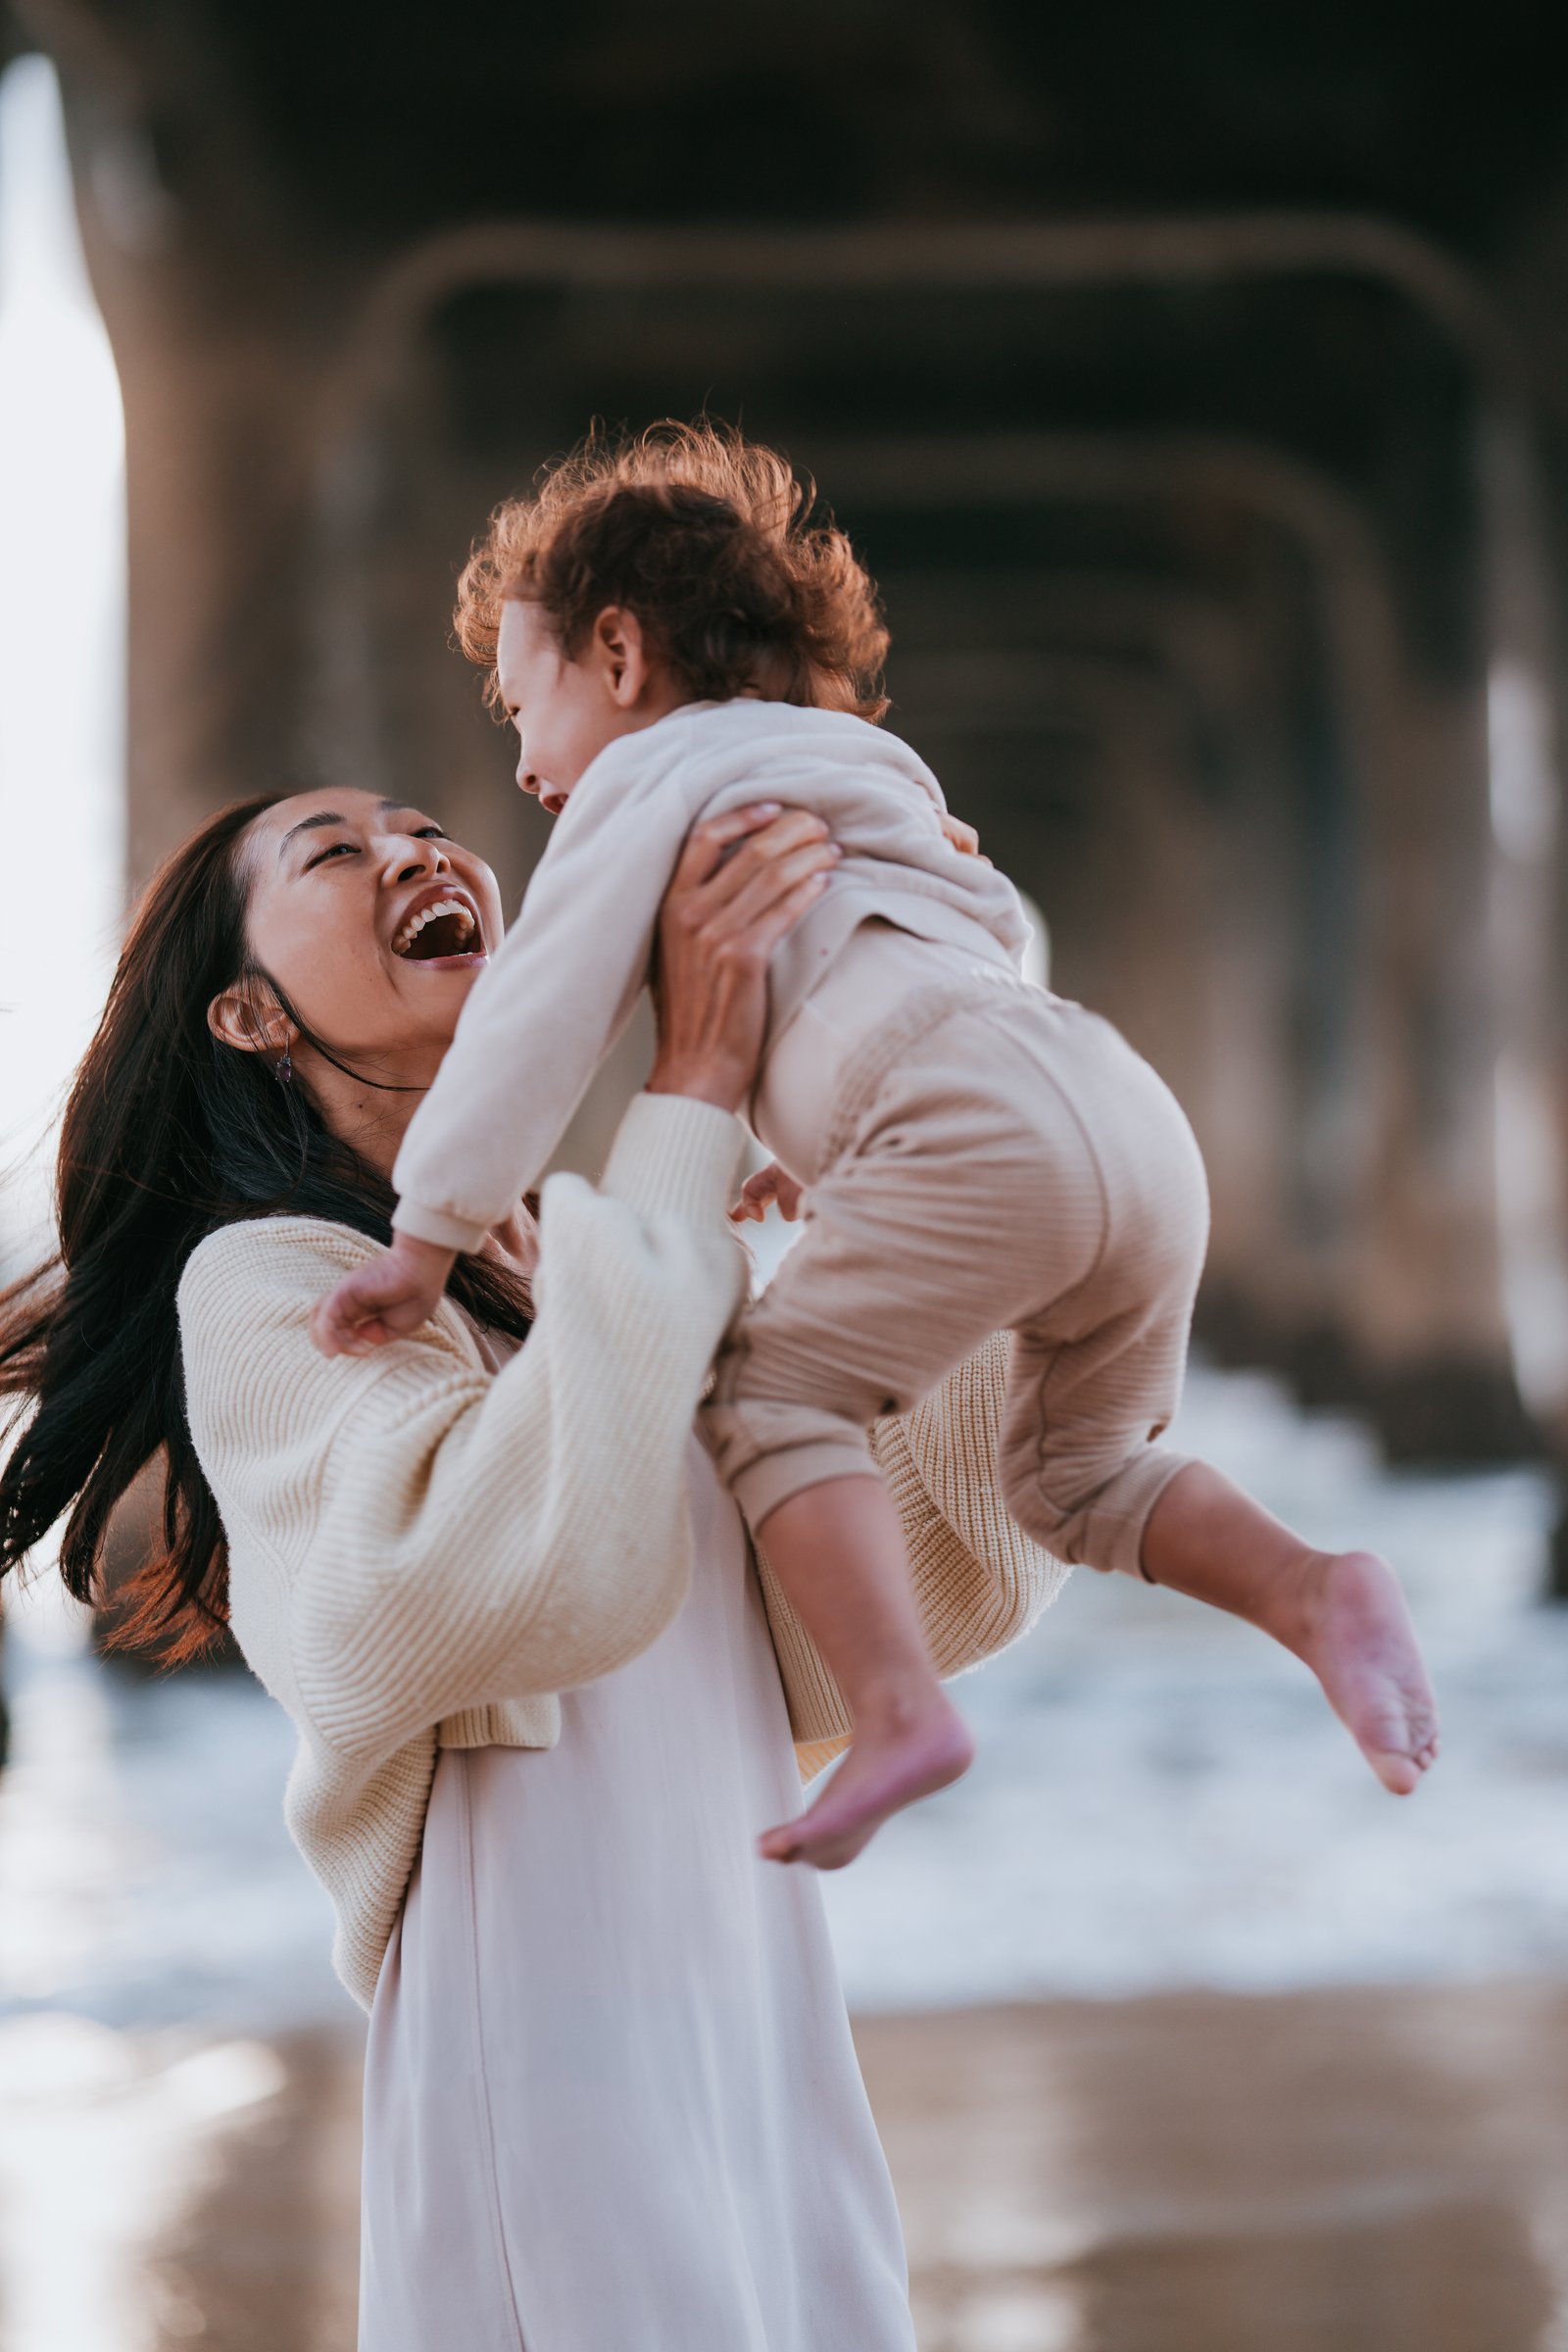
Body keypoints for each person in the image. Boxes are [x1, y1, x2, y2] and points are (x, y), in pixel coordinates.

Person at [0, 783, 1064, 2350]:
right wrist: (693, 1087)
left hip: (744, 1965)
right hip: (549, 2002)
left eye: (427, 826)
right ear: (246, 1014)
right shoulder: (270, 1278)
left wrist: (945, 1057)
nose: (418, 853)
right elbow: (473, 1581)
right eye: (338, 852)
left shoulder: (579, 1259)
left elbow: (890, 1584)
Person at [314, 420, 1442, 1871]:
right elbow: (974, 935)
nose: (524, 761)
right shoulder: (872, 771)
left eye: (517, 700)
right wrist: (838, 1142)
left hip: (974, 1126)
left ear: (616, 654)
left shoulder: (647, 786)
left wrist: (427, 1238)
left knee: (769, 1405)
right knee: (1074, 1480)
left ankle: (896, 1711)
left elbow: (540, 1019)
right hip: (1117, 1109)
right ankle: (1311, 1586)